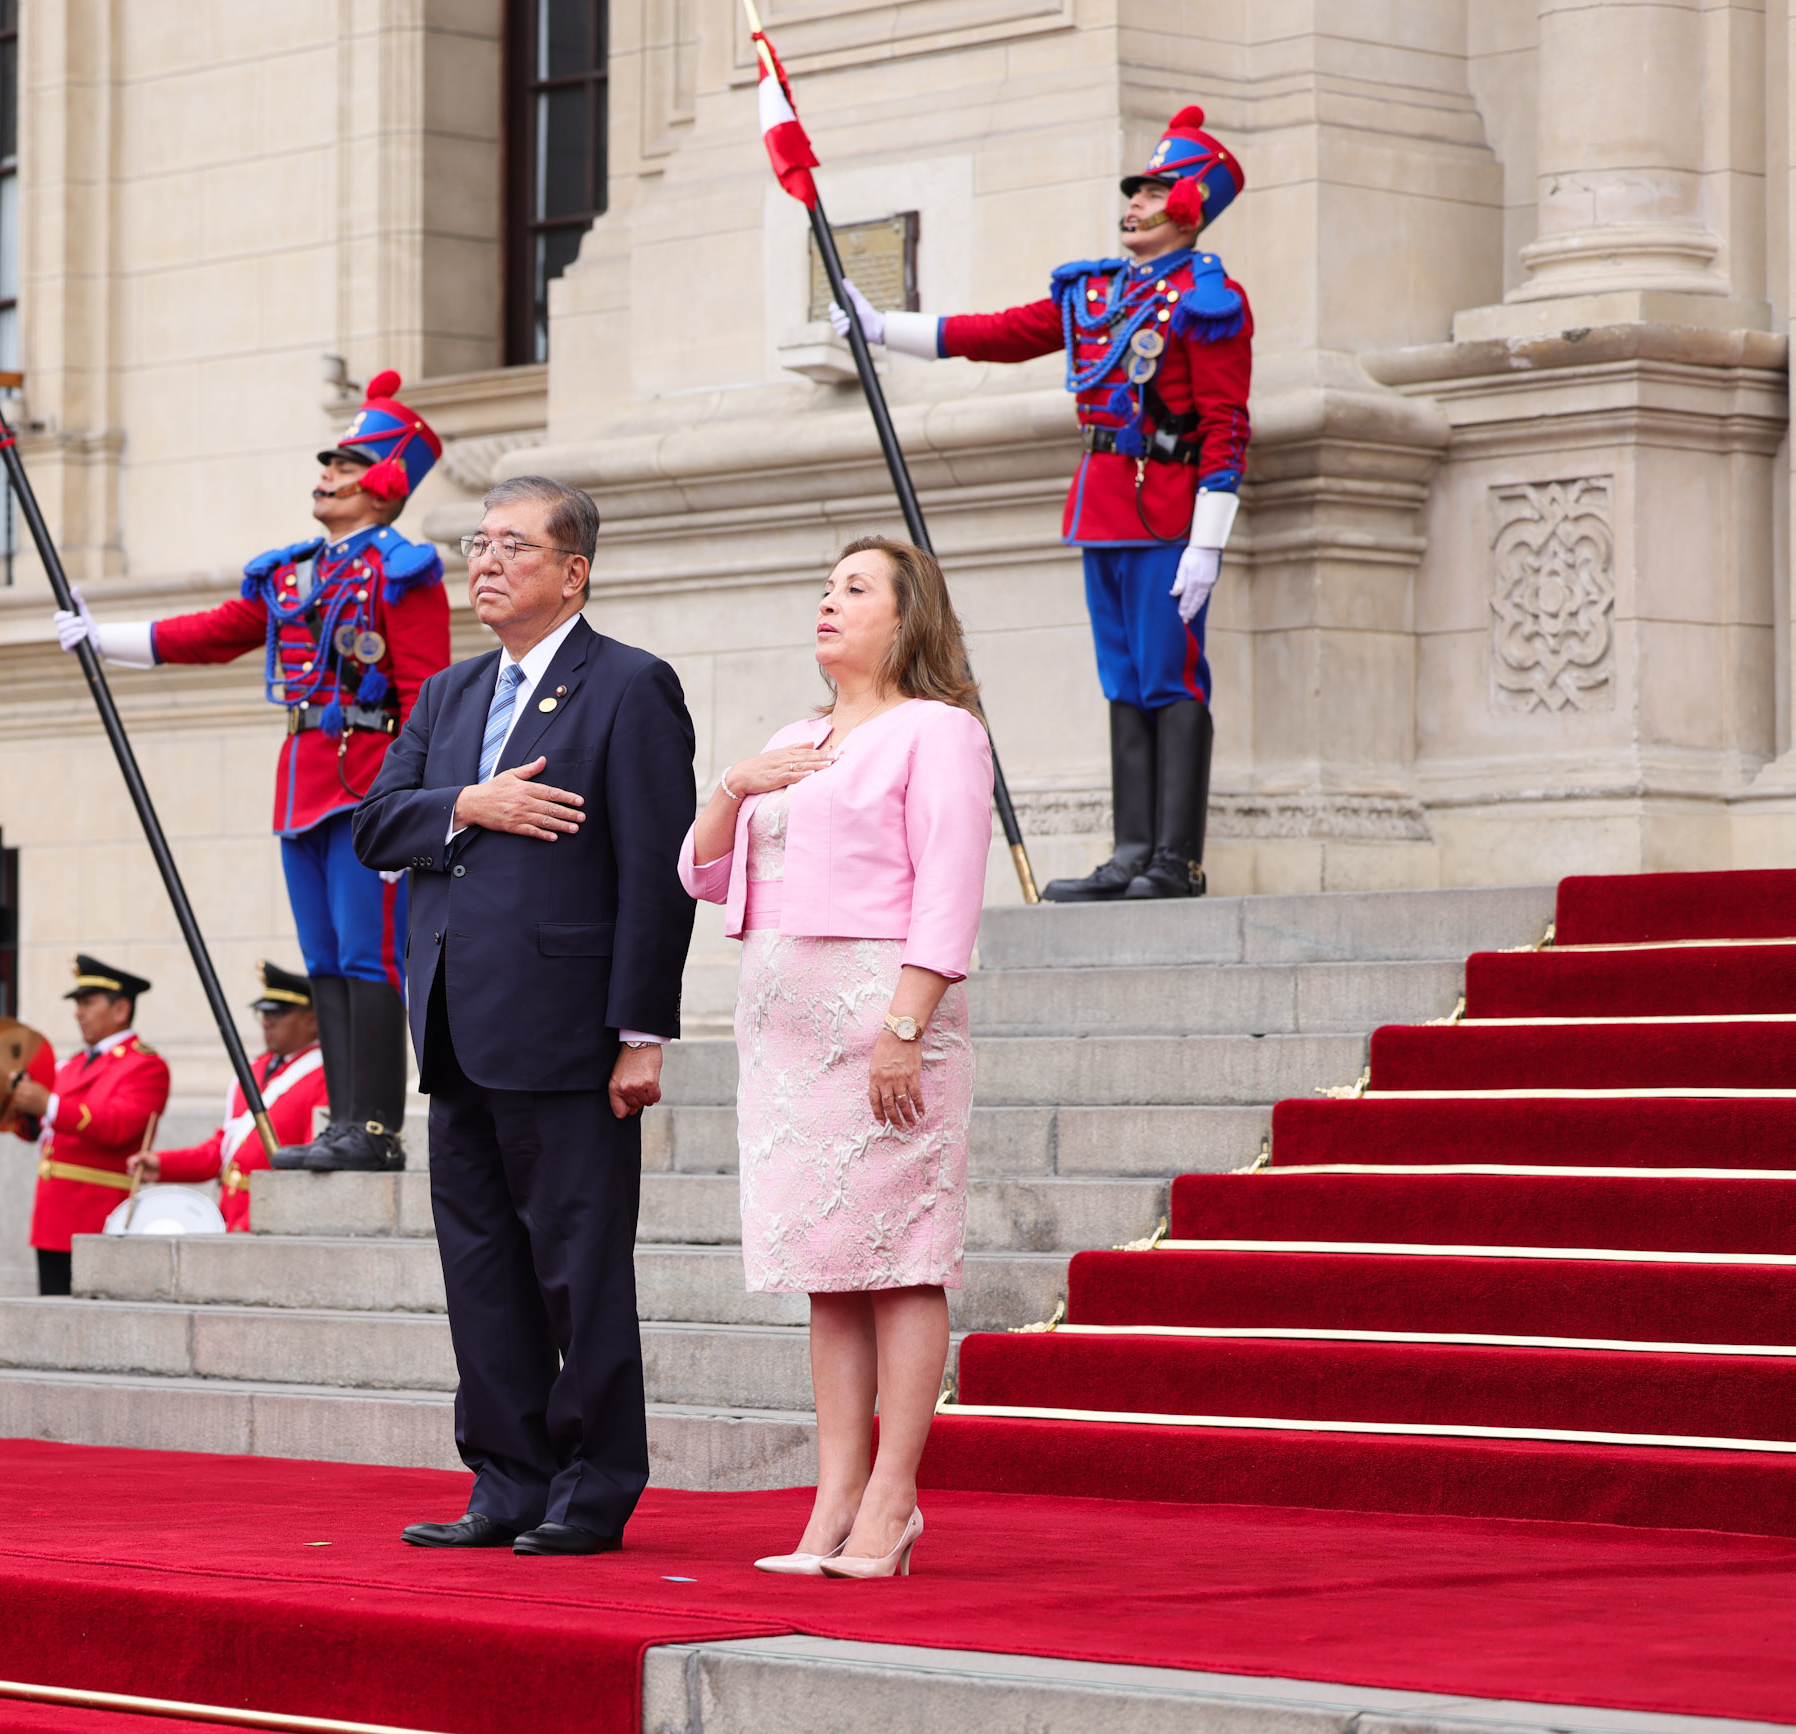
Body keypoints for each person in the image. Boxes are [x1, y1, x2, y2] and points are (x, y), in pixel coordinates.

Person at [353, 476, 697, 1557]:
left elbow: (656, 872)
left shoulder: (629, 688)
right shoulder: (451, 696)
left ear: (572, 571)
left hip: (568, 1037)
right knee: (481, 1269)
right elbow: (373, 824)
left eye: (511, 546)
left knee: (576, 1269)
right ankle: (503, 1480)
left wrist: (641, 1030)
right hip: (455, 1030)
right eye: (475, 543)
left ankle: (592, 1492)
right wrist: (469, 802)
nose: (485, 563)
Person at [834, 106, 1250, 902]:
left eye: (1156, 192)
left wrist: (1209, 540)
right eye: (1135, 190)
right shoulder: (1096, 290)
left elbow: (1228, 427)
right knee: (1123, 679)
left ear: (1191, 203)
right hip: (1104, 506)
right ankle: (1132, 852)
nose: (1134, 202)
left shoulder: (1209, 299)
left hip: (1168, 508)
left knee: (1171, 678)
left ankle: (1176, 860)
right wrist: (886, 328)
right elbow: (1005, 332)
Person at [679, 538, 993, 1580]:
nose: (827, 603)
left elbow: (947, 887)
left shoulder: (937, 732)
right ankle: (832, 1503)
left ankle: (891, 1502)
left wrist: (902, 1030)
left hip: (882, 1028)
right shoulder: (795, 735)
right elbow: (700, 873)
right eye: (823, 587)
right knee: (828, 1271)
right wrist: (732, 782)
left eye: (852, 589)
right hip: (782, 1042)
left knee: (899, 1262)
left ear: (904, 619)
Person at [54, 374, 452, 1171]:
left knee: (371, 957)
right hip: (303, 780)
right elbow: (218, 631)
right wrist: (107, 638)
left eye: (344, 464)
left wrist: (412, 805)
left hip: (371, 782)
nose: (326, 475)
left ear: (382, 481)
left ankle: (374, 1129)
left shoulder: (402, 570)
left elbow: (428, 695)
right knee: (326, 958)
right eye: (328, 462)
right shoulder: (294, 572)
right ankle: (342, 1122)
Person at [11, 956, 169, 1295]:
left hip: (98, 1214)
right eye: (78, 1004)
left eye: (87, 1003)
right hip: (53, 1217)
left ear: (120, 1009)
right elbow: (42, 1131)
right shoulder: (71, 1065)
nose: (78, 1013)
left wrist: (48, 1104)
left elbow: (118, 1126)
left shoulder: (144, 1065)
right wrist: (21, 1107)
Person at [132, 961, 326, 1233]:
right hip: (229, 1218)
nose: (267, 1021)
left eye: (279, 1012)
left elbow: (310, 1167)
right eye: (263, 1013)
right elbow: (224, 1151)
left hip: (271, 1222)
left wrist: (251, 1224)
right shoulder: (253, 1070)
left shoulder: (325, 1077)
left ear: (313, 1018)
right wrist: (163, 1164)